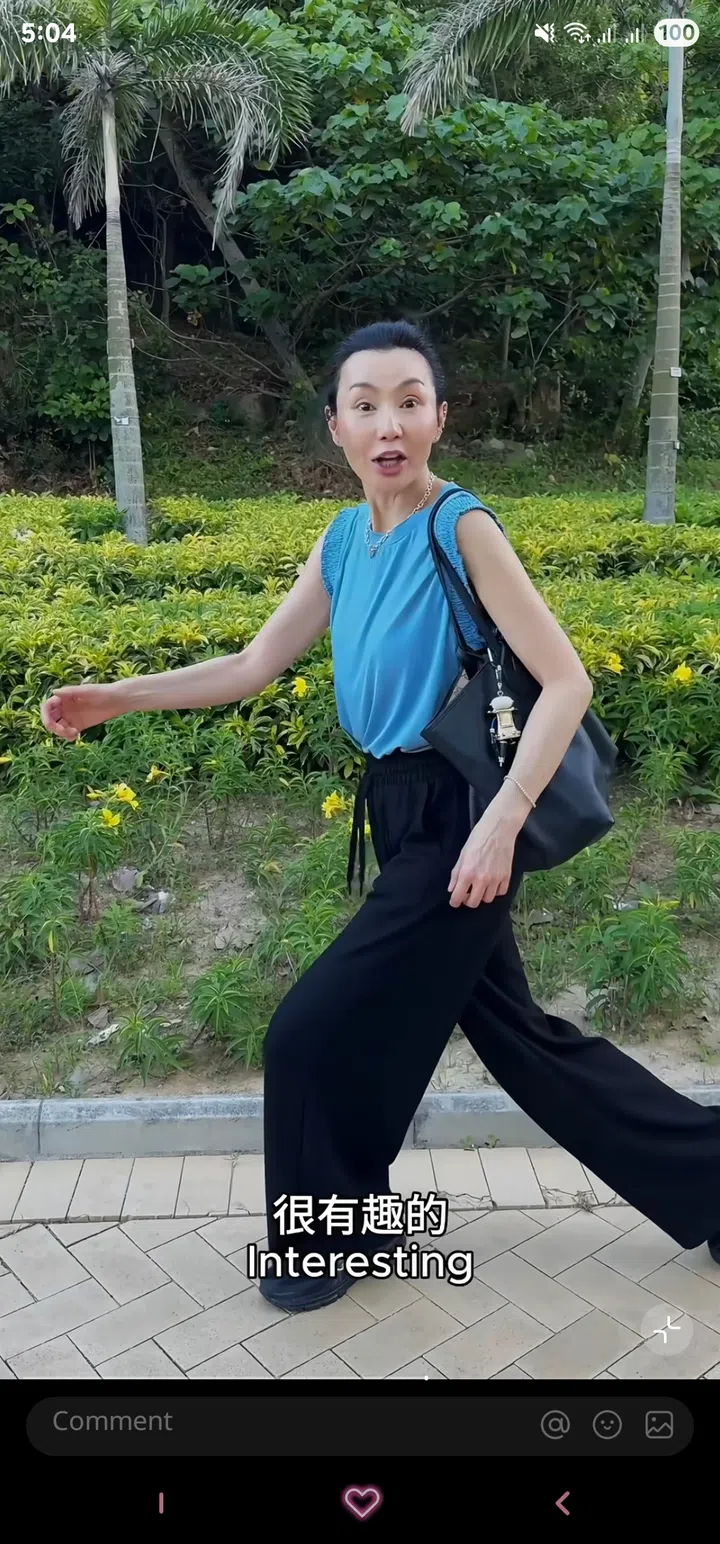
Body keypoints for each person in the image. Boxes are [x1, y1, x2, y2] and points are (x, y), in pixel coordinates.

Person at [42, 318, 720, 1317]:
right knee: (524, 1043)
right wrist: (117, 696)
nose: (388, 423)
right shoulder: (344, 541)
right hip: (398, 806)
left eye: (409, 401)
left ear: (440, 417)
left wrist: (500, 824)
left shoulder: (462, 526)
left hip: (460, 813)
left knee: (306, 1032)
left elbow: (566, 681)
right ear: (337, 426)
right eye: (365, 405)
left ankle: (327, 1235)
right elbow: (251, 664)